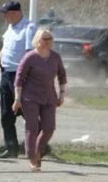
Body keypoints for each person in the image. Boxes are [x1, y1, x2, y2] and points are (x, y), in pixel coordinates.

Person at [12, 28, 67, 171]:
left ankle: (37, 151)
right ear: (37, 40)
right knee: (32, 127)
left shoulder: (55, 57)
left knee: (49, 127)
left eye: (50, 39)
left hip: (49, 97)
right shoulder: (30, 57)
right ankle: (32, 158)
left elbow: (62, 76)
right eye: (44, 39)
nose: (47, 42)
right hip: (30, 97)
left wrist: (62, 94)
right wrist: (17, 99)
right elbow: (19, 78)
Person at [0, 1, 37, 158]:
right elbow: (5, 49)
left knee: (27, 113)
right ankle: (11, 148)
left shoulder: (28, 28)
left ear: (16, 12)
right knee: (6, 114)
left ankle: (37, 146)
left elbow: (29, 54)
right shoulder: (10, 28)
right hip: (6, 74)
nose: (4, 17)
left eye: (6, 13)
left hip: (20, 75)